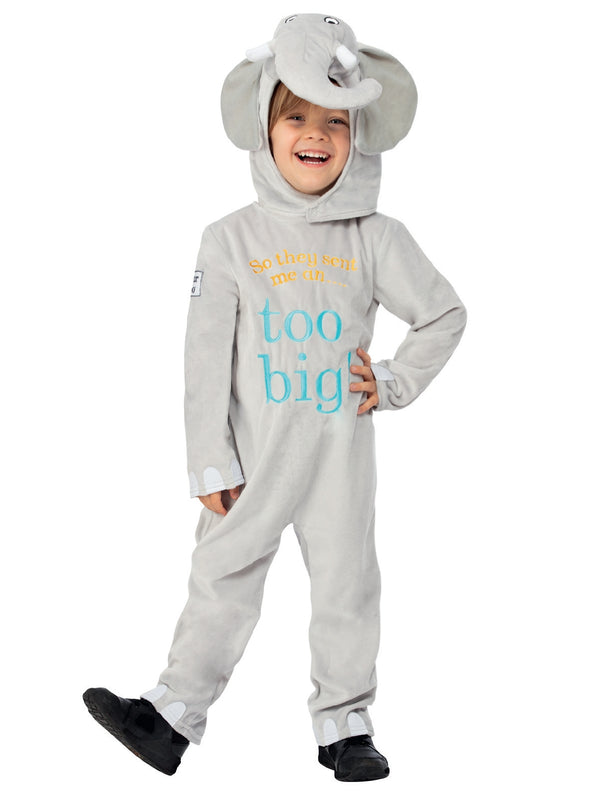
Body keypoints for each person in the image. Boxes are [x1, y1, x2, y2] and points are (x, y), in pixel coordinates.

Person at [83, 13, 467, 783]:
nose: (315, 134)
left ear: (359, 134)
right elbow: (203, 361)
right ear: (263, 125)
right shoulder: (230, 239)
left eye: (336, 120)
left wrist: (391, 382)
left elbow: (443, 314)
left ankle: (346, 726)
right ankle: (170, 716)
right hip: (251, 458)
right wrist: (207, 460)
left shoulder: (375, 237)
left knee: (348, 586)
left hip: (337, 455)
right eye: (296, 116)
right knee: (221, 579)